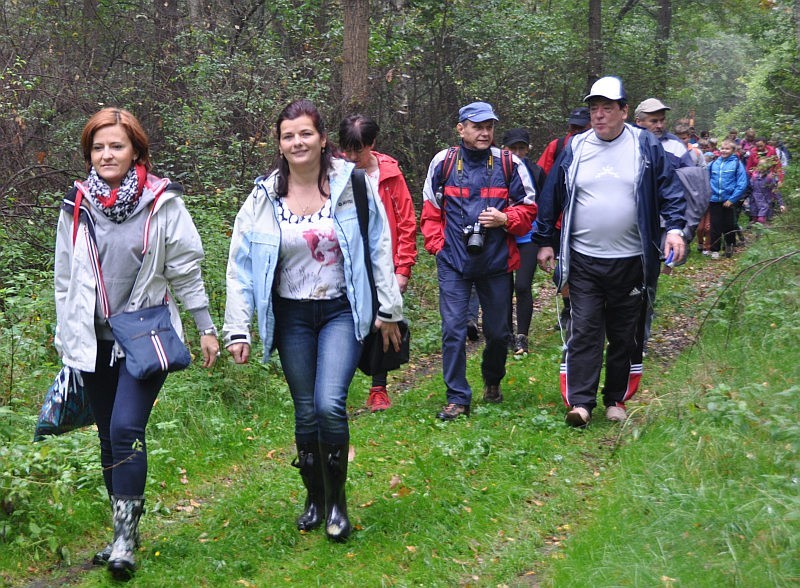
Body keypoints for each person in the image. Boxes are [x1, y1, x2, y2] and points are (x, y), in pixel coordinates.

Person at [223, 100, 403, 542]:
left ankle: (338, 501)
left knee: (329, 404)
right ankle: (315, 497)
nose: (297, 142)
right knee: (305, 411)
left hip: (342, 309)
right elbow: (240, 265)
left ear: (323, 139)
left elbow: (379, 246)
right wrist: (238, 327)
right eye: (288, 135)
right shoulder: (264, 197)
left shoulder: (352, 185)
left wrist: (389, 309)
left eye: (305, 133)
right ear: (279, 144)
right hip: (292, 315)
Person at [54, 108, 220, 578]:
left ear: (136, 151)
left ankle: (125, 540)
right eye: (98, 146)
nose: (107, 154)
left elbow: (184, 267)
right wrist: (67, 338)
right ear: (89, 152)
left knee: (126, 429)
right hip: (94, 342)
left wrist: (205, 326)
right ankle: (122, 529)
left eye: (117, 146)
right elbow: (65, 279)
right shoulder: (76, 205)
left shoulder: (162, 202)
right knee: (107, 437)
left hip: (145, 338)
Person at [533, 76, 686, 428]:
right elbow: (551, 196)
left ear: (624, 111)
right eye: (594, 109)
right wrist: (545, 241)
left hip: (632, 260)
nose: (599, 116)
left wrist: (675, 228)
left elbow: (670, 191)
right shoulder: (576, 147)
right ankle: (581, 403)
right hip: (584, 260)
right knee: (584, 330)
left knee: (624, 333)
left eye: (606, 108)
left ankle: (615, 398)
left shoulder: (644, 145)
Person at [420, 101, 537, 420]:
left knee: (499, 334)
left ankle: (492, 379)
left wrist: (504, 218)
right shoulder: (443, 163)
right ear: (461, 129)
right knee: (454, 329)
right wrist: (437, 246)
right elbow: (430, 211)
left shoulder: (509, 163)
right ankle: (457, 397)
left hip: (496, 262)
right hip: (454, 262)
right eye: (477, 126)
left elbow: (529, 211)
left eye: (489, 127)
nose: (485, 132)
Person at [338, 114, 418, 413]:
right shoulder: (335, 174)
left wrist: (402, 269)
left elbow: (407, 223)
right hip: (347, 262)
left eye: (358, 150)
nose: (351, 156)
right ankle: (338, 389)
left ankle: (378, 389)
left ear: (372, 144)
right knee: (344, 323)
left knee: (383, 323)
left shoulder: (390, 175)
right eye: (346, 149)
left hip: (383, 264)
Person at [501, 127, 546, 355]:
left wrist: (549, 242)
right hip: (503, 234)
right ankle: (507, 334)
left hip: (529, 234)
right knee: (504, 287)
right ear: (504, 149)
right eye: (513, 148)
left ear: (528, 149)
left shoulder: (536, 172)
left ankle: (522, 337)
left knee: (522, 285)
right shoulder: (496, 170)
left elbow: (547, 205)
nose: (517, 153)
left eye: (522, 148)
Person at [707, 138, 748, 259]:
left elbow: (742, 183)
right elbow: (706, 178)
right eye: (722, 148)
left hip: (729, 200)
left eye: (727, 149)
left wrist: (732, 199)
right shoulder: (714, 163)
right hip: (714, 199)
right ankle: (714, 250)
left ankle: (729, 245)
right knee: (715, 225)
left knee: (729, 224)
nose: (724, 151)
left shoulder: (736, 163)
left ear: (733, 150)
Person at [537, 107, 591, 174]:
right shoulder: (556, 146)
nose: (577, 131)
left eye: (581, 128)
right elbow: (541, 174)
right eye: (574, 127)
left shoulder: (598, 147)